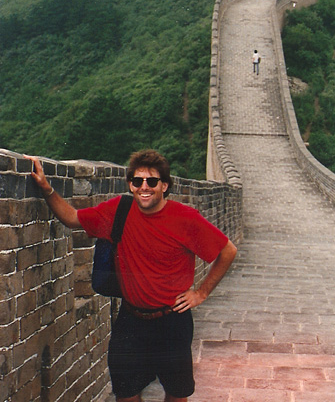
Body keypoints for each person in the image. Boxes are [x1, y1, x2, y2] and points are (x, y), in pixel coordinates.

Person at [26, 150, 237, 402]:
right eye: (137, 182)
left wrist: (201, 293)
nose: (144, 187)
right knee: (126, 393)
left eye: (152, 182)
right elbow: (72, 218)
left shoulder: (185, 218)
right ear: (130, 185)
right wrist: (46, 188)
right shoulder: (119, 210)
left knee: (176, 395)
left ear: (165, 186)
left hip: (172, 322)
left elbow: (227, 251)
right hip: (131, 321)